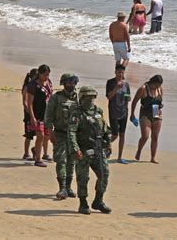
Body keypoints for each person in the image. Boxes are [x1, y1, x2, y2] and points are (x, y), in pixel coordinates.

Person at [68, 86, 112, 215]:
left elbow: (105, 129)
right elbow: (71, 132)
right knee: (83, 178)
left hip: (98, 150)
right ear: (81, 98)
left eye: (92, 97)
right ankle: (83, 203)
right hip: (83, 151)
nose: (90, 100)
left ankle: (98, 201)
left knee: (104, 174)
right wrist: (75, 149)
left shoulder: (99, 111)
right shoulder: (77, 113)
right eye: (87, 97)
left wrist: (108, 142)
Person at [45, 73, 79, 199]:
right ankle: (62, 188)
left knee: (72, 161)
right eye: (69, 82)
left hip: (74, 135)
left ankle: (69, 187)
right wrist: (50, 132)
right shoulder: (56, 98)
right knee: (61, 160)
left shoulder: (79, 98)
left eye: (73, 82)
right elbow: (48, 116)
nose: (71, 85)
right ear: (63, 83)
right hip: (60, 133)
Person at [130, 75, 163, 164]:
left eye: (159, 85)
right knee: (145, 136)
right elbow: (134, 101)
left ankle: (153, 157)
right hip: (145, 113)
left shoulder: (160, 89)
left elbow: (160, 101)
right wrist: (132, 114)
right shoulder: (143, 88)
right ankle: (139, 150)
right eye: (156, 85)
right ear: (152, 82)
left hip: (156, 112)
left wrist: (160, 109)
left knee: (155, 136)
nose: (157, 87)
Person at [26, 64, 53, 167]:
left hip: (48, 113)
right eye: (45, 75)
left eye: (48, 75)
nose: (46, 77)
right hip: (37, 114)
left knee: (47, 135)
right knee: (40, 135)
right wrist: (32, 117)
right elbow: (30, 103)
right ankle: (38, 159)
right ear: (40, 74)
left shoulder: (49, 83)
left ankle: (35, 149)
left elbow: (51, 96)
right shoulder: (33, 85)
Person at [106, 65, 131, 164]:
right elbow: (109, 96)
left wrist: (127, 97)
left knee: (122, 134)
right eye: (119, 72)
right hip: (113, 112)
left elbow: (128, 98)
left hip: (124, 112)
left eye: (122, 73)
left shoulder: (126, 84)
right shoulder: (110, 82)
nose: (121, 74)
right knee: (115, 134)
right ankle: (105, 145)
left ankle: (120, 157)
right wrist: (116, 88)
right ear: (115, 72)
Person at [22, 68, 38, 160]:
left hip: (37, 113)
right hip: (28, 115)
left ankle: (35, 150)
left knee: (39, 134)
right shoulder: (27, 87)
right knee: (29, 135)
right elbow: (24, 103)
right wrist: (30, 113)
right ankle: (26, 153)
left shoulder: (37, 86)